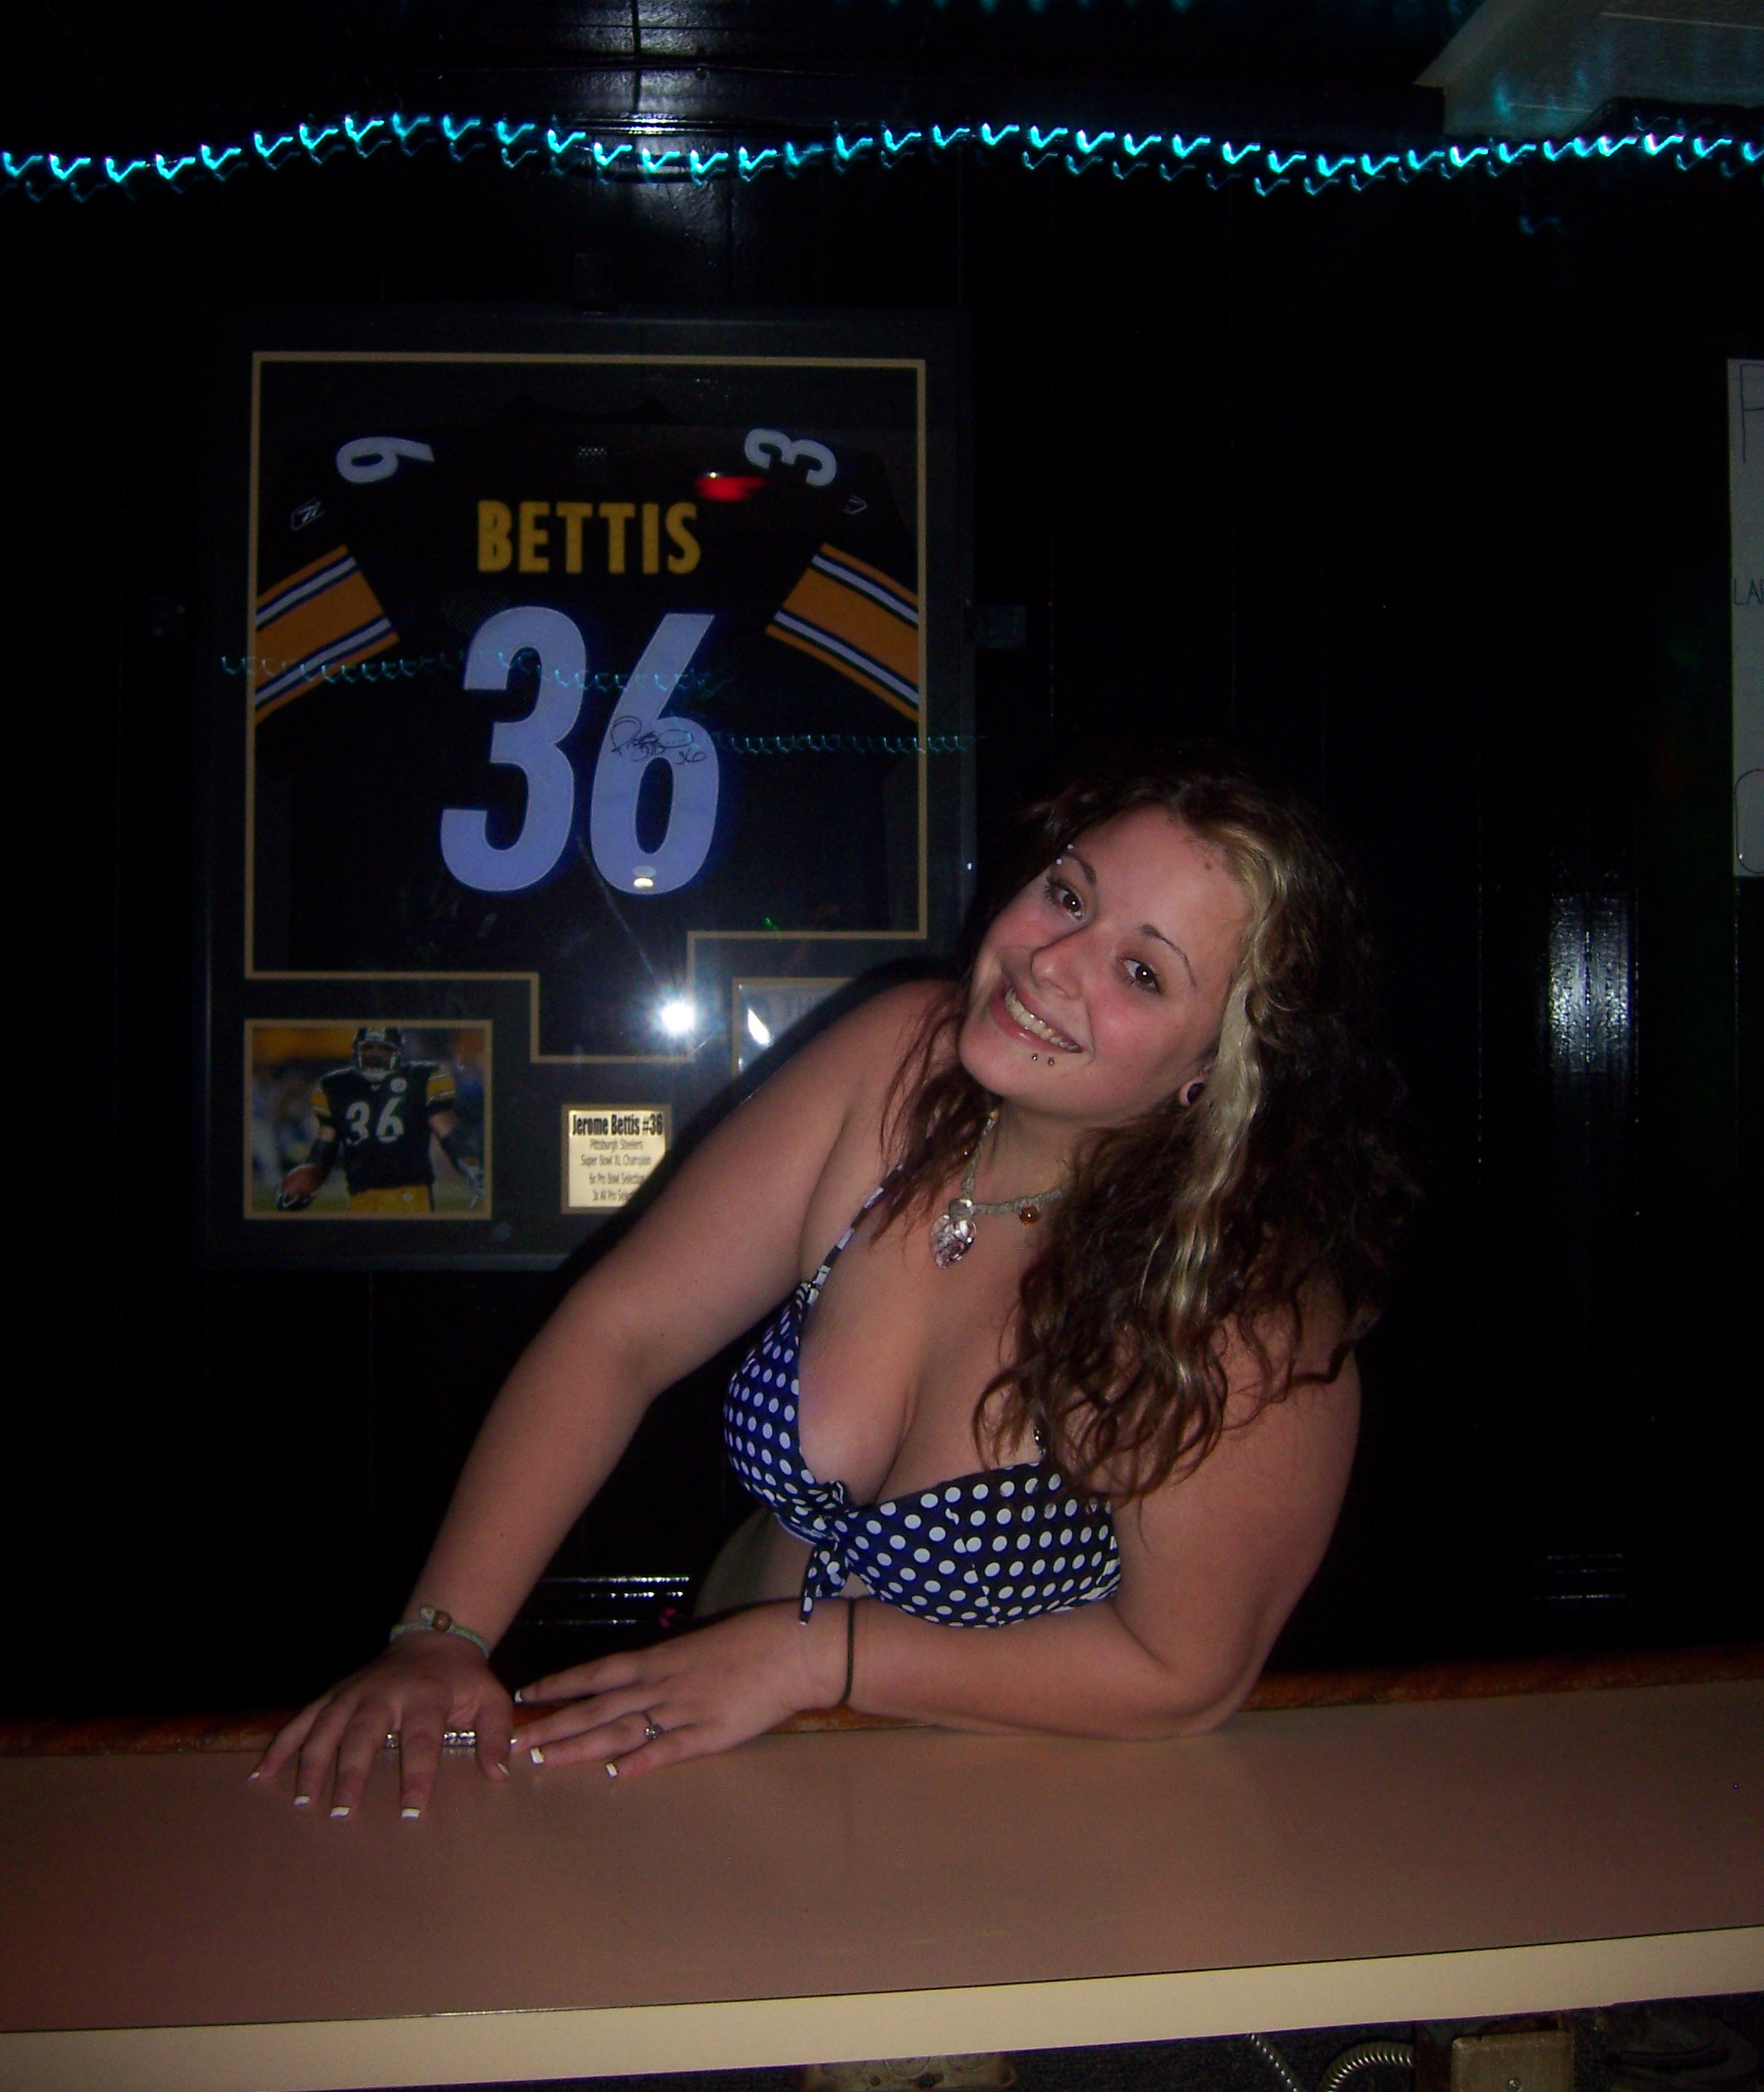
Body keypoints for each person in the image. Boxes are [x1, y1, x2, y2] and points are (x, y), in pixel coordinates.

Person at [261, 756, 1409, 1817]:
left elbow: (1184, 1675)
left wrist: (820, 1657)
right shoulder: (901, 1064)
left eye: (1142, 972)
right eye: (1067, 895)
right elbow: (622, 1334)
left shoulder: (1240, 1306)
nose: (1051, 962)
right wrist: (443, 1634)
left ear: (1215, 1068)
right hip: (720, 1766)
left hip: (1002, 1833)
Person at [275, 1025, 483, 1215]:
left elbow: (449, 1135)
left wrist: (471, 1167)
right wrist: (306, 1180)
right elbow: (322, 1152)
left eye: (382, 1049)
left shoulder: (419, 1080)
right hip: (360, 1195)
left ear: (397, 1052)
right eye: (369, 1048)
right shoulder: (338, 1086)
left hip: (408, 1194)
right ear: (356, 1051)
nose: (374, 1055)